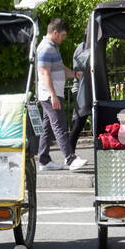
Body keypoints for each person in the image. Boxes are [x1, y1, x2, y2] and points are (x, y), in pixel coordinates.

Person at [35, 18, 86, 171]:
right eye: (62, 35)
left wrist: (74, 74)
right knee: (60, 126)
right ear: (55, 32)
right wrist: (53, 95)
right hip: (50, 95)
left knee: (48, 128)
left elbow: (60, 67)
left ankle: (43, 160)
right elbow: (45, 73)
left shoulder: (53, 47)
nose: (64, 38)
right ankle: (70, 159)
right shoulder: (45, 48)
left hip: (52, 94)